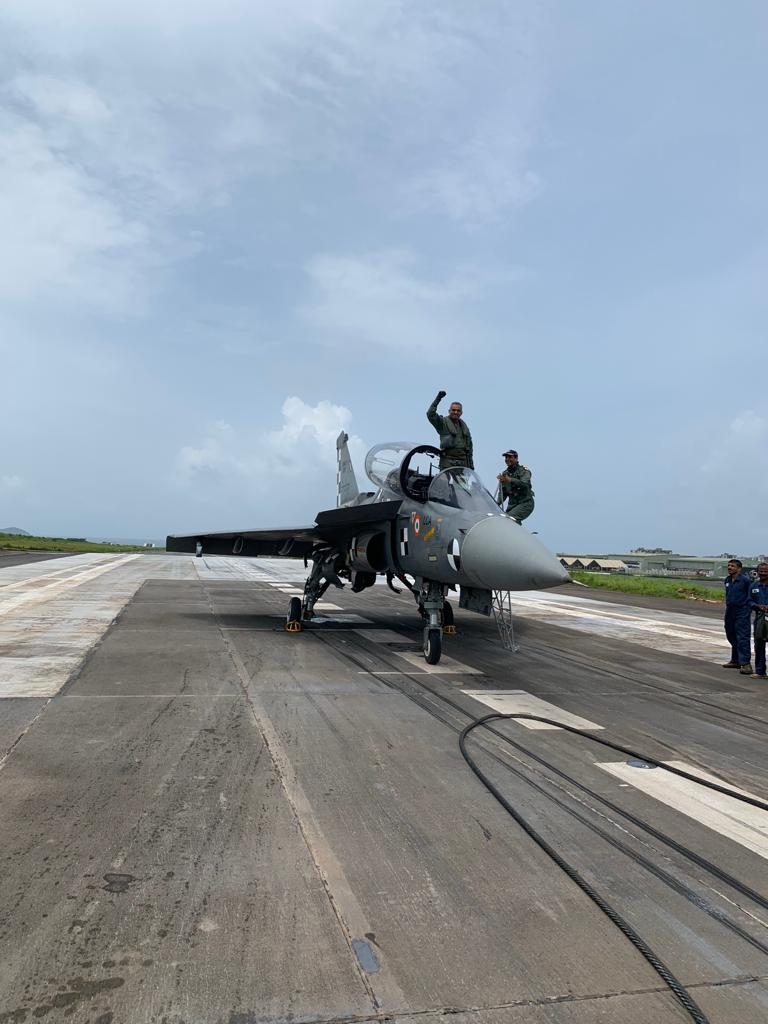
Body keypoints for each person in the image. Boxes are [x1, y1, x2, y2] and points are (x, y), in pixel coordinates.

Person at [426, 391, 473, 470]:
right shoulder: (442, 423)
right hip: (447, 463)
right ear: (449, 411)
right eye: (453, 410)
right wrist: (438, 398)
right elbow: (430, 414)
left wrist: (471, 466)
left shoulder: (464, 428)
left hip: (463, 464)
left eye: (458, 411)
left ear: (461, 413)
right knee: (445, 479)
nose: (456, 412)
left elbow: (470, 448)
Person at [723, 558, 753, 674]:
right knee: (730, 634)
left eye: (732, 566)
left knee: (743, 637)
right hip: (730, 610)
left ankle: (745, 663)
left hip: (742, 610)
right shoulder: (727, 580)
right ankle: (735, 660)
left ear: (739, 569)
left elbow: (750, 595)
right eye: (729, 566)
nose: (729, 568)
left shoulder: (745, 581)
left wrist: (748, 607)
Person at [496, 450, 535, 523]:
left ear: (516, 458)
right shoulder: (505, 473)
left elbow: (524, 484)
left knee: (508, 520)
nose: (507, 459)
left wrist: (510, 480)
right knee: (503, 521)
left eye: (510, 457)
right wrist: (496, 504)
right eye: (506, 457)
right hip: (512, 505)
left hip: (525, 503)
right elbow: (503, 493)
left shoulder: (524, 471)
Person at [750, 561, 768, 679]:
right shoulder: (754, 586)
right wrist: (757, 606)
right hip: (760, 617)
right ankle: (760, 671)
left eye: (766, 571)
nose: (763, 573)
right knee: (759, 644)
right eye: (761, 571)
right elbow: (748, 600)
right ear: (757, 572)